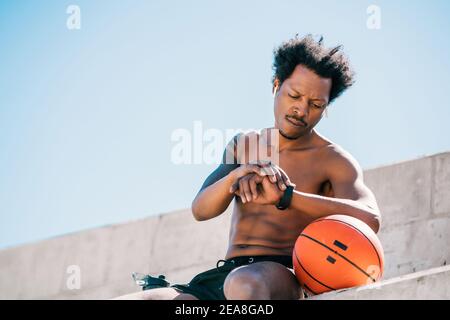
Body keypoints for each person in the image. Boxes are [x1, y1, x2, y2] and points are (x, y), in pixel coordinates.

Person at [114, 34, 381, 300]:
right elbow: (200, 210)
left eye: (315, 104)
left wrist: (287, 197)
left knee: (243, 285)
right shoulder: (244, 145)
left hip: (281, 275)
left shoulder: (333, 159)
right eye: (295, 95)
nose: (301, 109)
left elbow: (371, 218)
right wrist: (236, 175)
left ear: (326, 108)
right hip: (223, 275)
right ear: (276, 86)